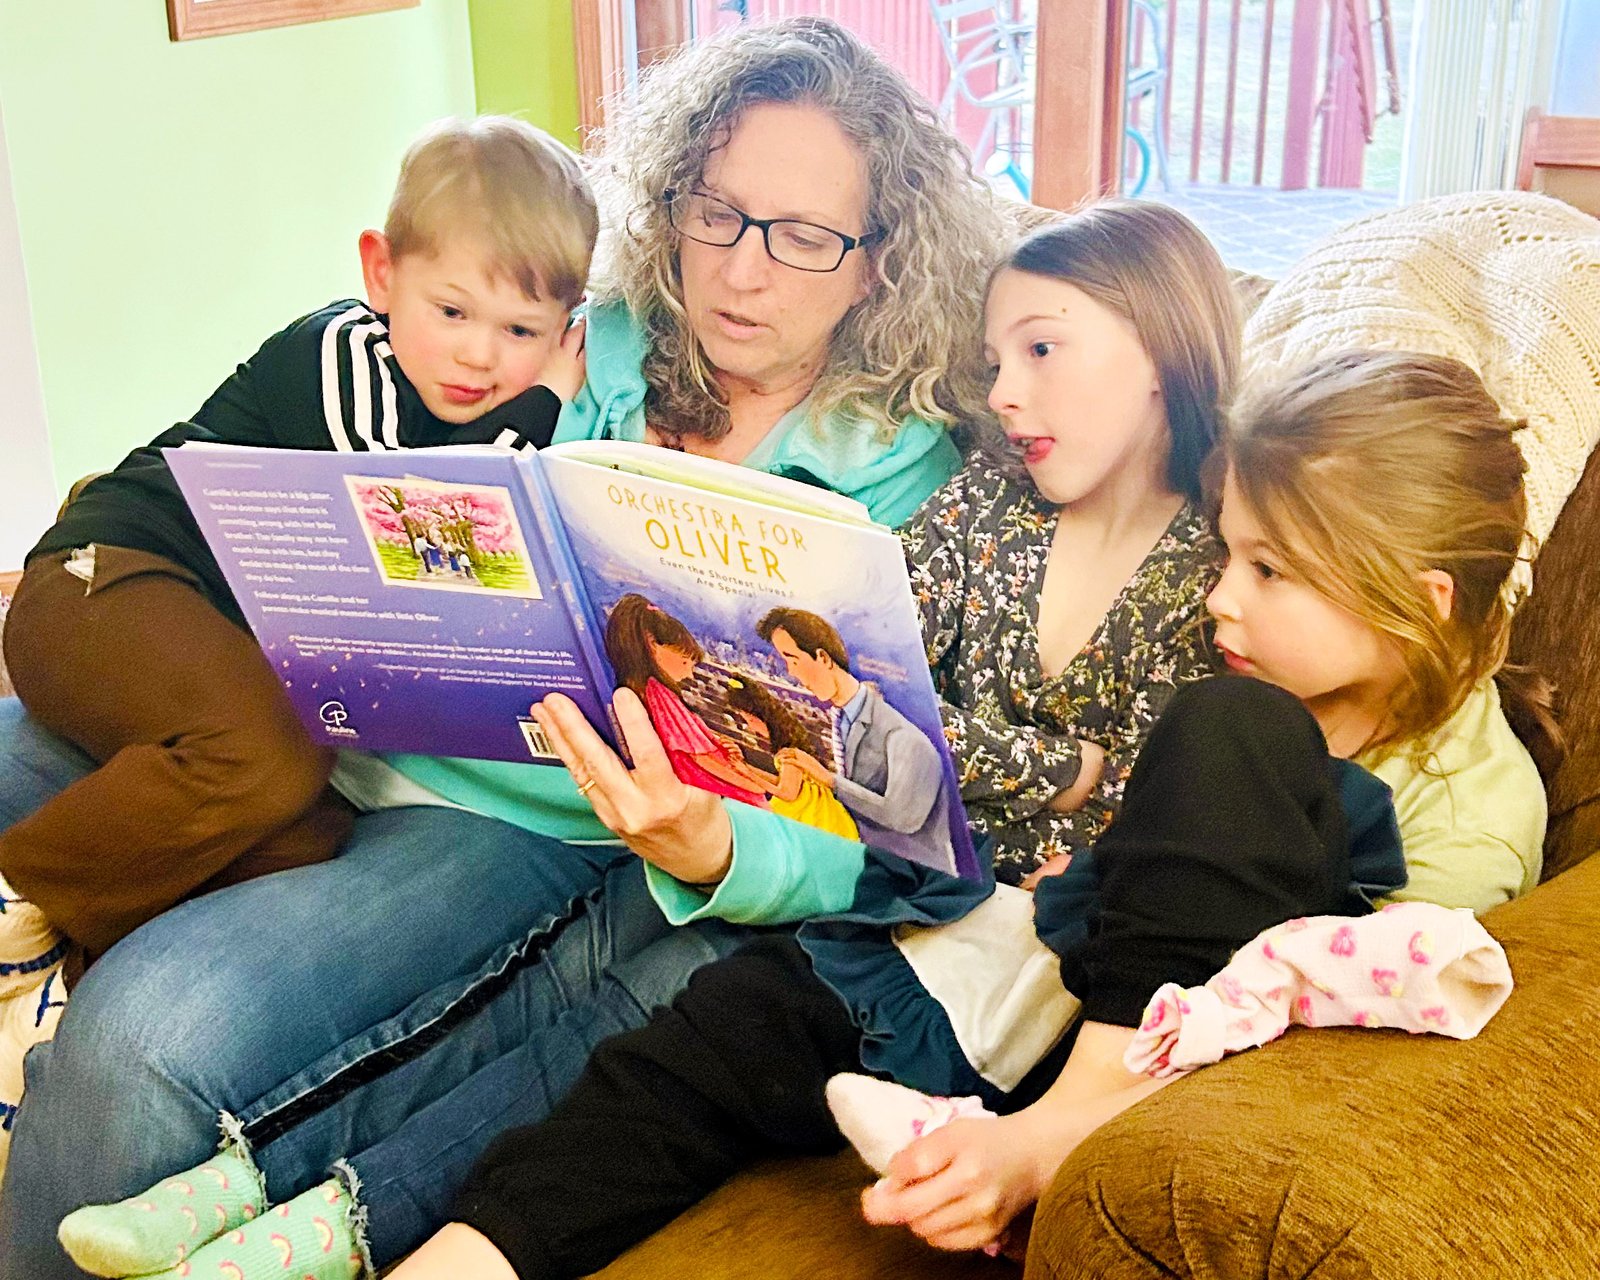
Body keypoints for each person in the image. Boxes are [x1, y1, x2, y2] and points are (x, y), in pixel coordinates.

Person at [0, 18, 1006, 1279]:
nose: (743, 272)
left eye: (803, 236)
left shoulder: (905, 486)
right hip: (316, 711)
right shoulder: (574, 328)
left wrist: (718, 847)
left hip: (515, 816)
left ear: (876, 265)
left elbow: (888, 827)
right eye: (717, 213)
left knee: (145, 1036)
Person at [147, 199, 1241, 1280]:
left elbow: (1169, 801)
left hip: (981, 945)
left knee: (666, 1035)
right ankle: (273, 1199)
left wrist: (960, 763)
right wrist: (1057, 768)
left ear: (1161, 347)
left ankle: (328, 1215)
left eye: (1041, 349)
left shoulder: (1229, 569)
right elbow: (869, 702)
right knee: (617, 1031)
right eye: (997, 358)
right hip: (864, 886)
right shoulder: (985, 506)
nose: (1000, 391)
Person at [859, 349, 1553, 1258]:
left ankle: (1052, 1141)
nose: (1220, 596)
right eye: (1228, 552)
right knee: (746, 1016)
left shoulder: (1470, 819)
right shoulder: (1273, 663)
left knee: (1234, 726)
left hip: (1190, 1079)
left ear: (1420, 606)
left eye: (1269, 570)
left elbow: (1339, 1036)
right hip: (1071, 982)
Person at [0, 113, 595, 1170]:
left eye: (520, 330)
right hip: (103, 578)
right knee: (268, 756)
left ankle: (61, 998)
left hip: (201, 638)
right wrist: (546, 398)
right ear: (381, 273)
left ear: (566, 325)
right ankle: (24, 890)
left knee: (301, 834)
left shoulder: (446, 378)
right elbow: (429, 505)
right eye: (451, 310)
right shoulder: (342, 356)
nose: (478, 353)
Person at [756, 606, 956, 868]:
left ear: (823, 658)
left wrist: (828, 779)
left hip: (914, 875)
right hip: (861, 861)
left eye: (793, 660)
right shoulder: (841, 720)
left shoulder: (901, 736)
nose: (791, 672)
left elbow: (902, 817)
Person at [603, 593, 771, 806]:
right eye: (685, 662)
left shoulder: (658, 693)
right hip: (706, 787)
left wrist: (718, 743)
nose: (689, 674)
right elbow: (699, 757)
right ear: (652, 645)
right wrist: (749, 784)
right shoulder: (659, 695)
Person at [723, 676, 859, 839]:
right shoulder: (786, 745)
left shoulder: (788, 751)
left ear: (762, 718)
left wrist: (748, 773)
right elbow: (783, 781)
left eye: (750, 720)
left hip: (812, 813)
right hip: (811, 806)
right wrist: (745, 767)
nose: (751, 727)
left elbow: (788, 794)